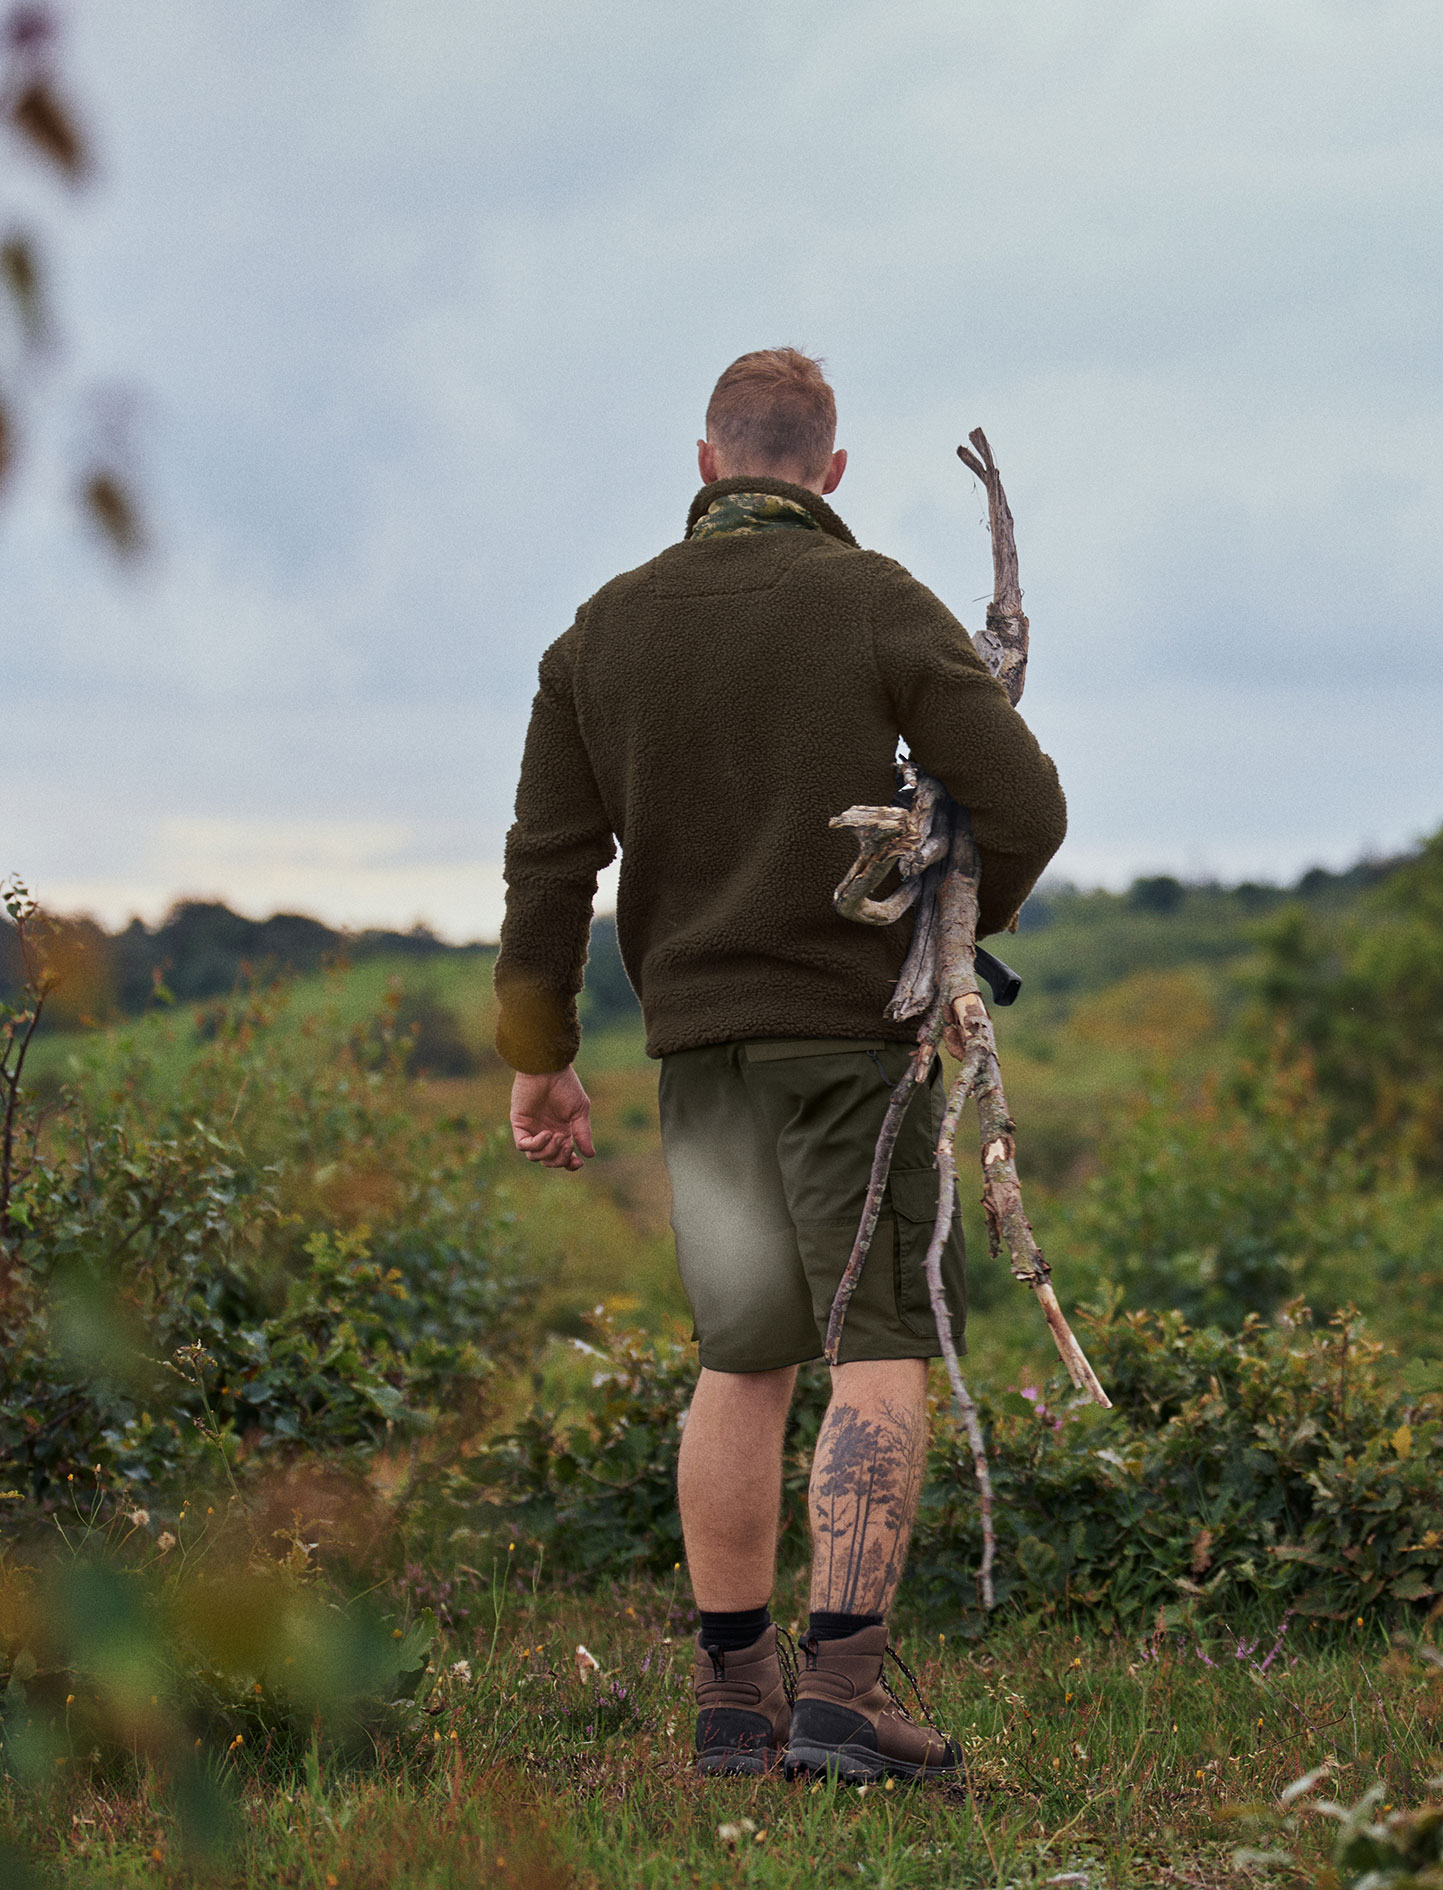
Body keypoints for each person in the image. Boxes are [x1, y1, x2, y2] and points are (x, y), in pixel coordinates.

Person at [493, 347, 1066, 1781]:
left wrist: (539, 1057)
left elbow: (548, 863)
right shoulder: (871, 599)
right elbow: (1027, 800)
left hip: (699, 1054)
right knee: (876, 1346)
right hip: (847, 1047)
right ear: (833, 472)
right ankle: (842, 1691)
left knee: (738, 1358)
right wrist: (950, 926)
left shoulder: (597, 634)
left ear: (704, 464)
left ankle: (734, 1698)